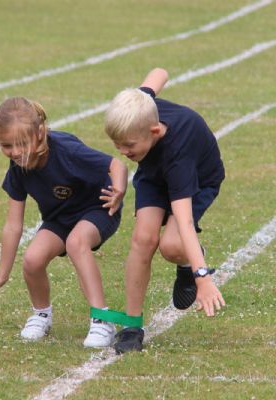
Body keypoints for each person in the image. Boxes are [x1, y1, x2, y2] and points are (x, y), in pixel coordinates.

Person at [0, 96, 128, 348]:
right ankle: (41, 314)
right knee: (32, 259)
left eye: (21, 144)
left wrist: (118, 190)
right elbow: (13, 225)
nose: (15, 152)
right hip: (60, 218)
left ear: (40, 133)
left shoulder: (66, 150)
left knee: (76, 242)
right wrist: (2, 274)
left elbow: (116, 165)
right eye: (6, 145)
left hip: (99, 208)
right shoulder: (17, 168)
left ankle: (103, 319)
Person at [104, 68, 226, 354]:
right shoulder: (141, 107)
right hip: (154, 171)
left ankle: (188, 263)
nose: (122, 151)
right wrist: (143, 91)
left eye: (128, 145)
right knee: (142, 239)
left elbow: (184, 222)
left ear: (155, 131)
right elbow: (159, 73)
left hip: (197, 179)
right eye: (116, 144)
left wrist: (202, 276)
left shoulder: (178, 157)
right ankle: (132, 325)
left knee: (171, 245)